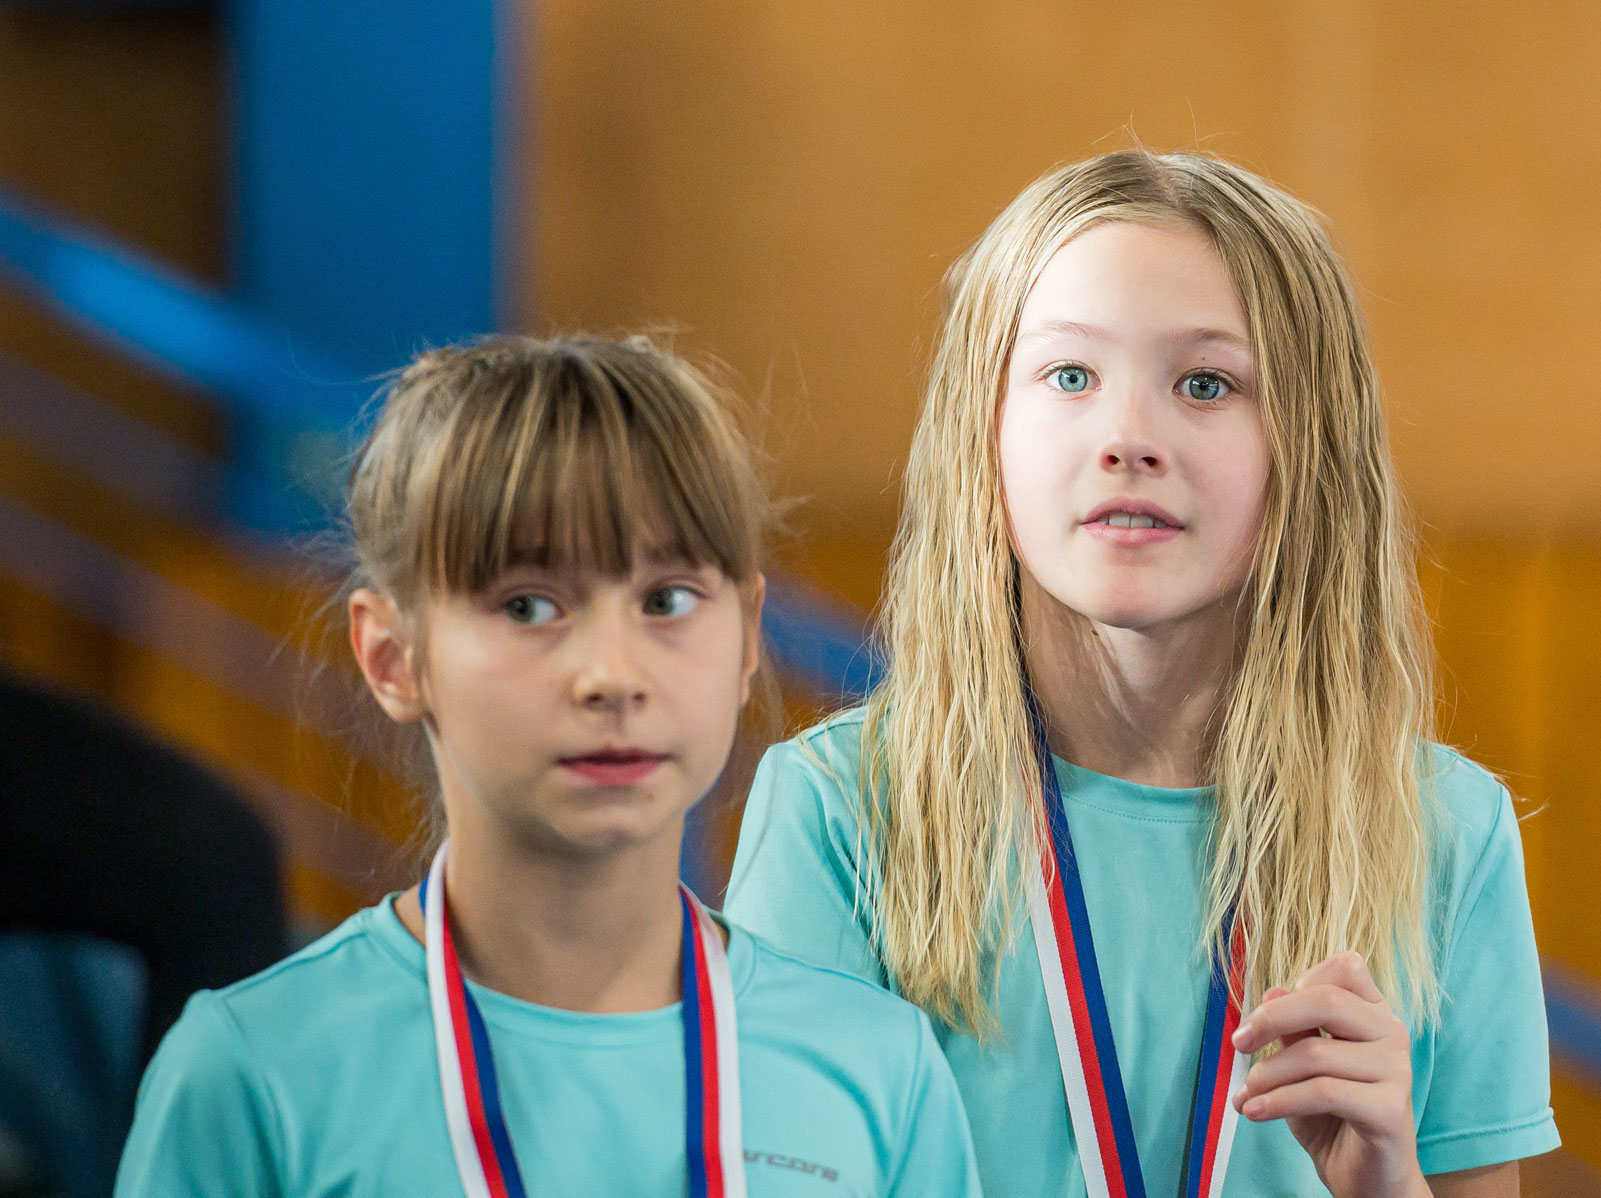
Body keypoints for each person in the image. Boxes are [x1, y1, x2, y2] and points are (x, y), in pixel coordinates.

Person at [725, 151, 1559, 1198]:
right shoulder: (841, 812)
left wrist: (1388, 1189)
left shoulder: (1445, 832)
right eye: (1070, 376)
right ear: (982, 432)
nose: (1128, 439)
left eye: (1205, 384)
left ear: (1311, 450)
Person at [115, 335, 982, 1196]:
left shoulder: (876, 1070)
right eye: (529, 606)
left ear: (749, 635)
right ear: (392, 657)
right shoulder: (254, 1075)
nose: (612, 675)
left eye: (667, 600)